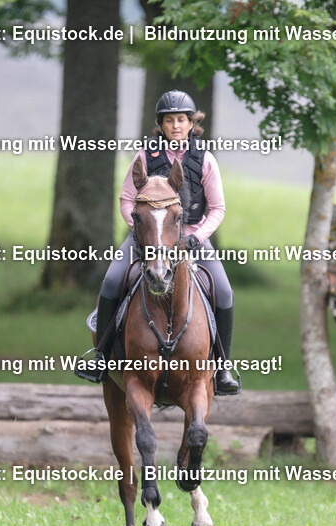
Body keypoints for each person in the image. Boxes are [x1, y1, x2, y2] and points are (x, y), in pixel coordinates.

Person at [78, 90, 240, 395]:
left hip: (191, 236)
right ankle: (100, 356)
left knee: (225, 291)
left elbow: (218, 208)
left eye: (182, 119)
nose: (176, 125)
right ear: (161, 124)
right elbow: (127, 199)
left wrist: (197, 237)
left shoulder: (205, 159)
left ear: (192, 124)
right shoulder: (145, 156)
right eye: (169, 120)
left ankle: (222, 368)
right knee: (112, 280)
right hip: (147, 237)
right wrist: (142, 231)